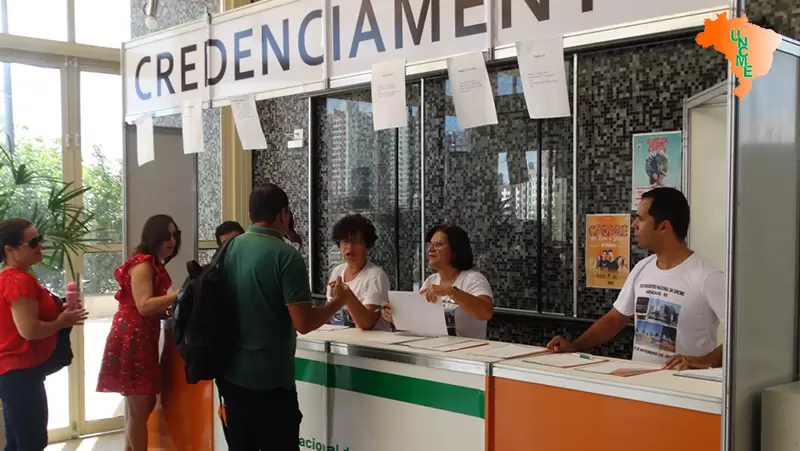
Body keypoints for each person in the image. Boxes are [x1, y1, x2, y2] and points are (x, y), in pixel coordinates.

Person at [218, 183, 349, 450]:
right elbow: (304, 322)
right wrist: (338, 302)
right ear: (283, 214)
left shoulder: (229, 249)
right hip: (270, 380)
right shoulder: (286, 256)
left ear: (250, 214)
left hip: (231, 375)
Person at [547, 188, 725, 370]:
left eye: (641, 218)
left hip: (683, 386)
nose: (633, 225)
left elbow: (741, 338)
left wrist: (703, 361)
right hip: (640, 382)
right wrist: (576, 345)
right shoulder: (642, 268)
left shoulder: (708, 276)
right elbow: (615, 319)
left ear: (664, 226)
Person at [0, 219, 87, 450]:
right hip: (19, 372)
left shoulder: (11, 277)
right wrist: (62, 322)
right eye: (33, 242)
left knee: (18, 442)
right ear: (10, 250)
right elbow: (29, 330)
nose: (41, 246)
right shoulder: (18, 280)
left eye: (40, 239)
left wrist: (60, 312)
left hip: (15, 372)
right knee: (31, 441)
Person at [97, 214, 181, 451]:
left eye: (175, 235)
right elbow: (143, 305)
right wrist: (177, 295)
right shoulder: (143, 264)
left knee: (143, 404)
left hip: (142, 334)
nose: (172, 241)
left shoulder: (152, 263)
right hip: (133, 336)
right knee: (139, 407)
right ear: (154, 236)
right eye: (166, 235)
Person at [383, 225, 493, 339]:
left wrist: (451, 291)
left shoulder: (473, 279)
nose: (430, 249)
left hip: (467, 348)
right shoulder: (431, 280)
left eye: (438, 244)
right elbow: (420, 322)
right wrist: (397, 315)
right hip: (434, 346)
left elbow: (485, 312)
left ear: (455, 250)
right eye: (429, 244)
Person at [326, 214, 391, 331]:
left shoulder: (375, 276)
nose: (349, 248)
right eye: (345, 241)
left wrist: (347, 295)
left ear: (367, 246)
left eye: (356, 242)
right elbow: (328, 315)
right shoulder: (337, 271)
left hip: (371, 341)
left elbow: (367, 323)